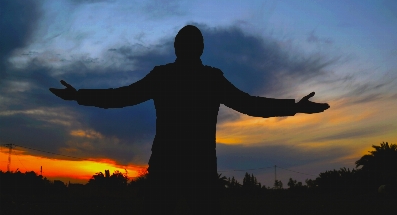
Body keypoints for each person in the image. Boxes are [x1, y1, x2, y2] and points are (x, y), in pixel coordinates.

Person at [50, 25, 330, 214]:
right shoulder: (207, 78)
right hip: (196, 173)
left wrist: (79, 96)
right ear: (200, 48)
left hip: (172, 172)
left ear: (178, 48)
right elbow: (251, 105)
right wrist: (295, 107)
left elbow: (121, 97)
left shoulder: (170, 76)